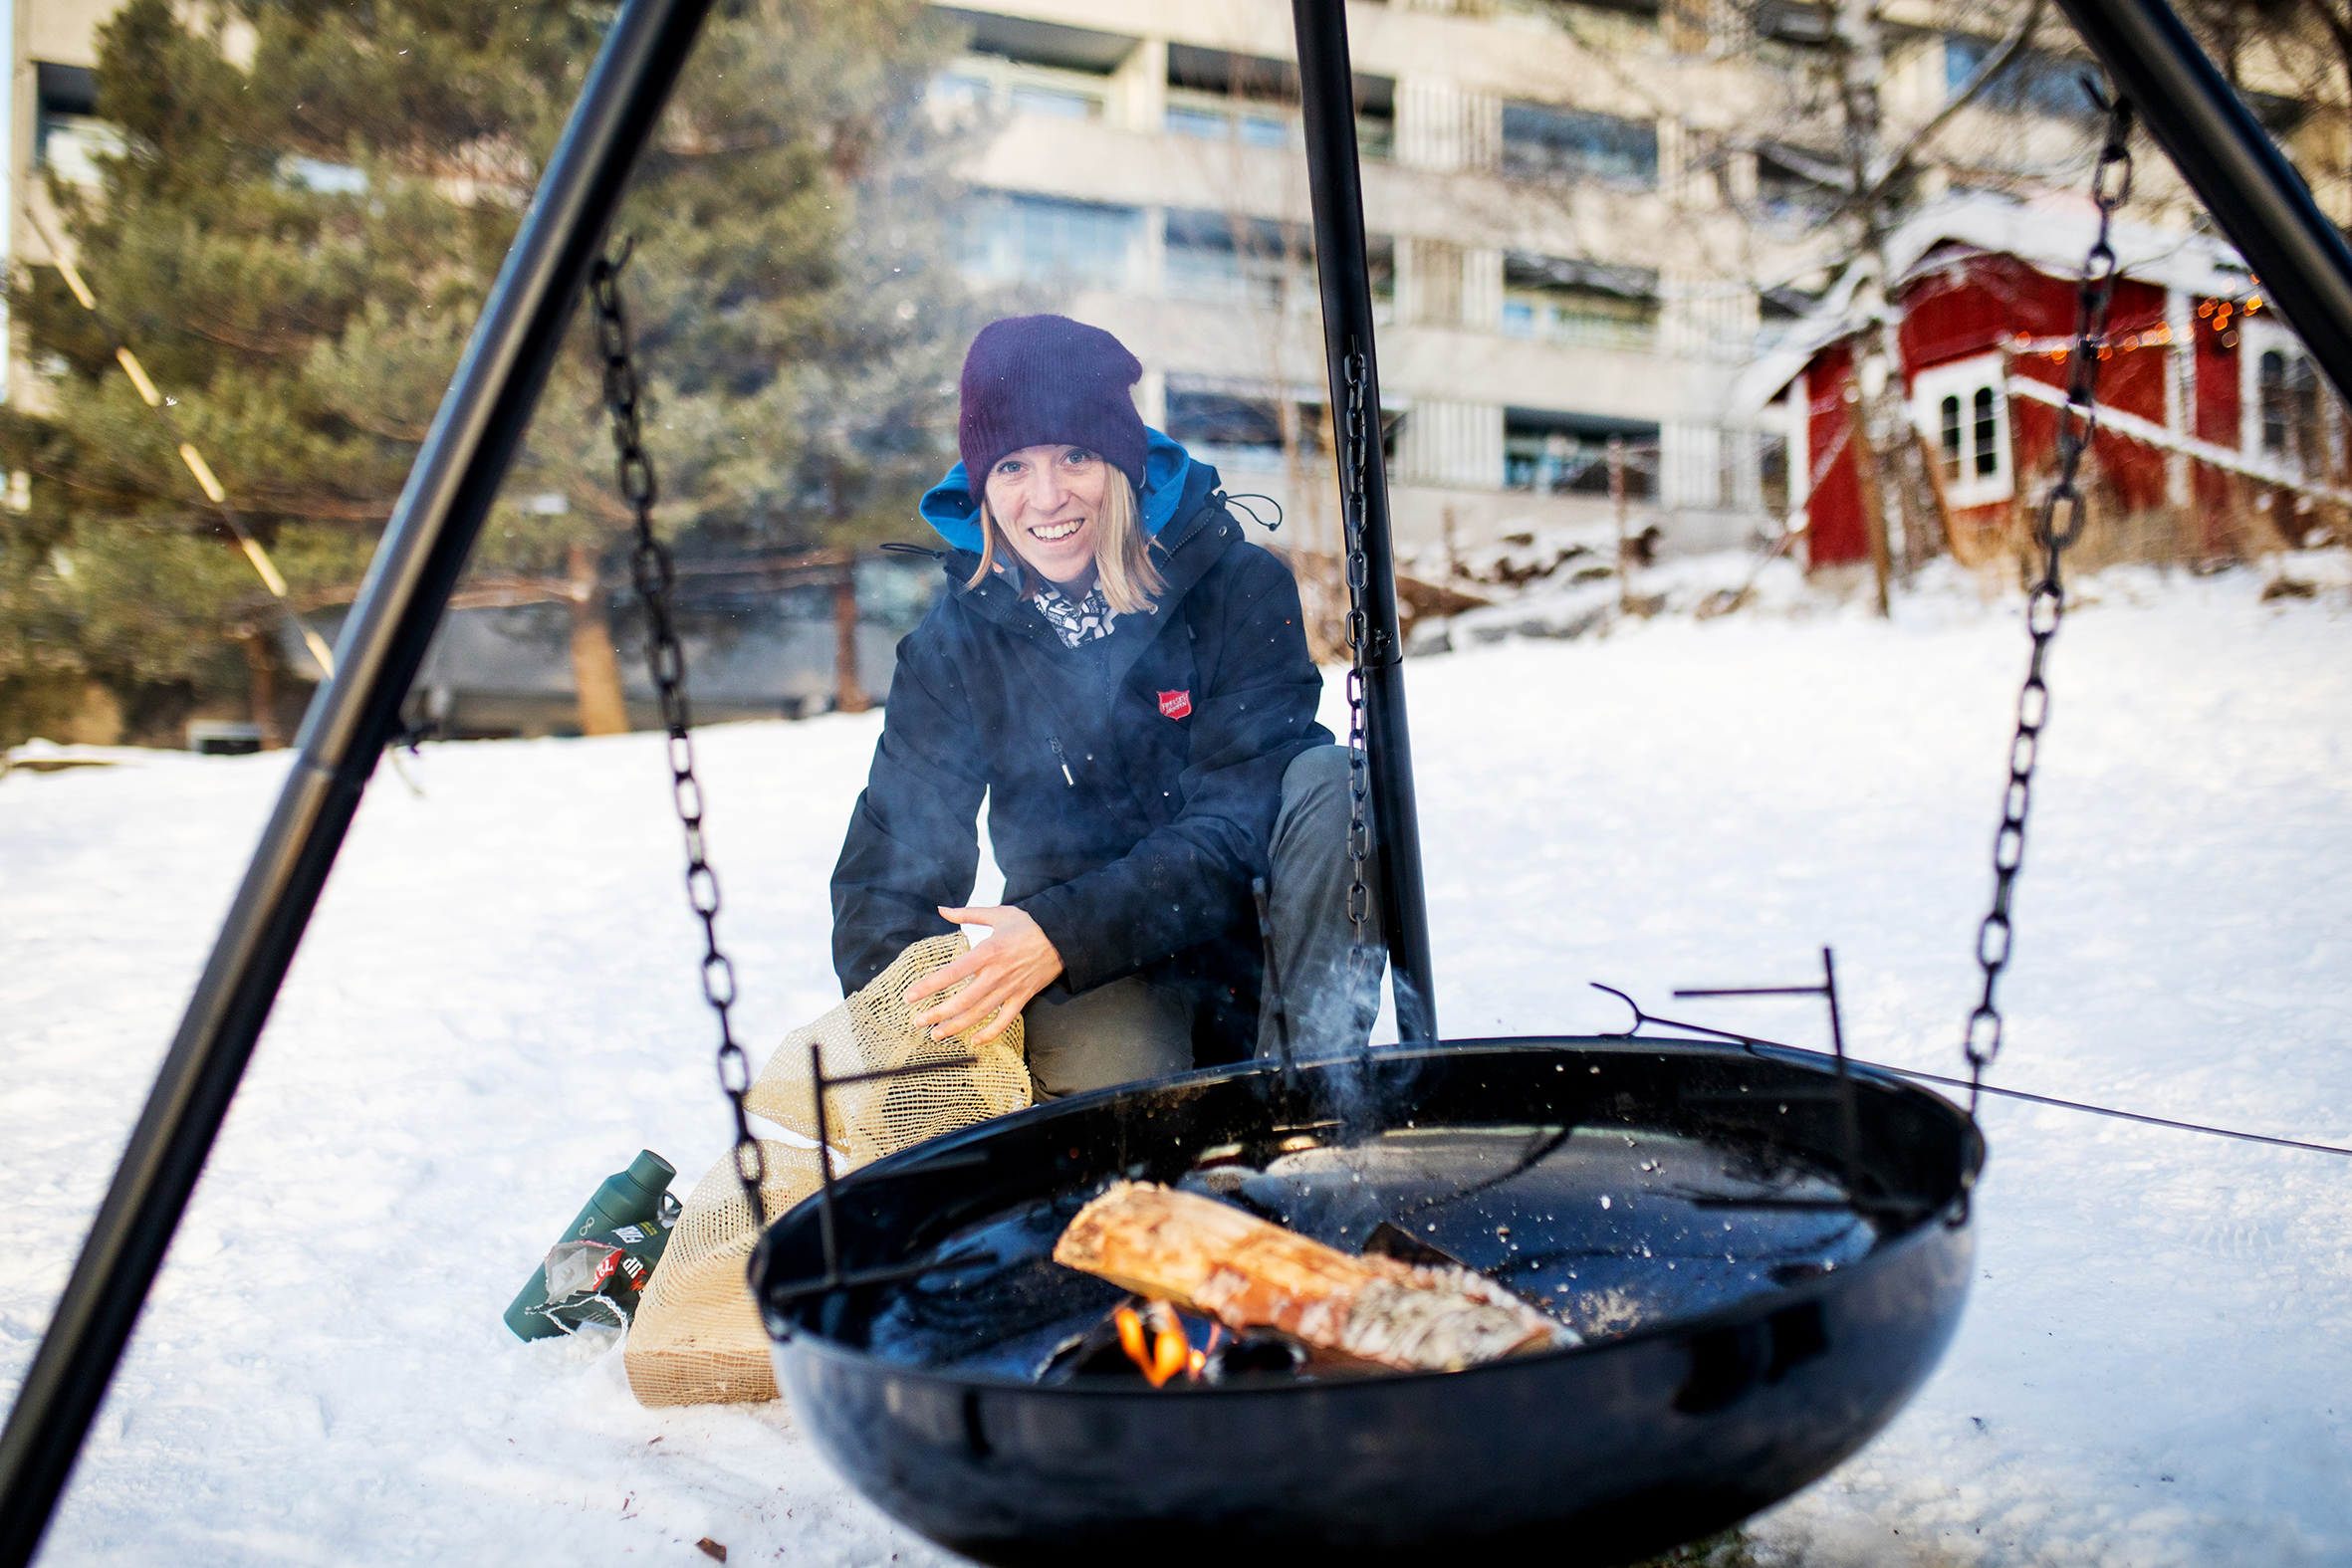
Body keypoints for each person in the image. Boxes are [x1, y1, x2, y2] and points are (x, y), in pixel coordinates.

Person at [829, 314, 1384, 1098]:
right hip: (1084, 973)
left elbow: (1241, 822)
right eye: (1013, 466)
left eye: (1076, 456)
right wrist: (917, 1055)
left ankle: (1312, 1107)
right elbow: (888, 869)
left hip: (1252, 938)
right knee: (1120, 1090)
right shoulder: (955, 644)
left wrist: (1063, 930)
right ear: (981, 486)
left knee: (1336, 781)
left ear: (1122, 464)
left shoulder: (1237, 587)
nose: (1046, 497)